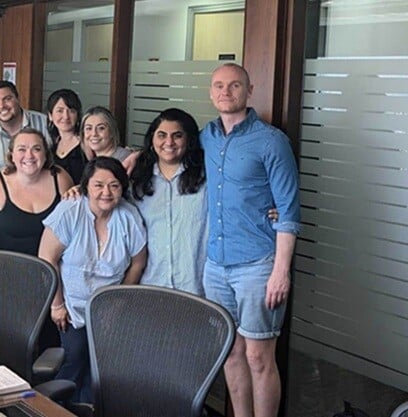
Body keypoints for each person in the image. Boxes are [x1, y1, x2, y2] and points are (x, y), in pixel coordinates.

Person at [201, 63, 300, 417]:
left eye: (234, 85)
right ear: (211, 93)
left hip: (258, 266)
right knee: (230, 352)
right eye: (219, 86)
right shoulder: (206, 136)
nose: (226, 92)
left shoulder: (272, 142)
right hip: (215, 266)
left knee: (260, 357)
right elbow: (168, 155)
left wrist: (281, 271)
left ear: (249, 90)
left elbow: (288, 212)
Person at [38, 157, 147, 403]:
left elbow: (138, 261)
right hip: (71, 306)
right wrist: (57, 305)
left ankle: (89, 408)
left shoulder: (128, 216)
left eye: (114, 185)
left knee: (102, 367)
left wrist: (120, 301)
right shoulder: (70, 210)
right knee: (74, 359)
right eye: (98, 185)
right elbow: (47, 259)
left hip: (109, 308)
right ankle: (58, 409)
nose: (106, 192)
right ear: (86, 186)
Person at [130, 108, 207, 295]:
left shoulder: (207, 177)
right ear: (152, 140)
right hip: (151, 285)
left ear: (189, 140)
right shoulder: (137, 179)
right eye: (161, 135)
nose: (169, 142)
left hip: (196, 287)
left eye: (177, 135)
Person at [0, 128, 74, 256]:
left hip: (50, 269)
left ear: (45, 155)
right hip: (5, 269)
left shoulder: (60, 179)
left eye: (36, 149)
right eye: (22, 149)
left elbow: (74, 225)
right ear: (12, 156)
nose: (29, 155)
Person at [0, 81, 50, 174]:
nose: (2, 106)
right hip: (2, 186)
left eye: (7, 99)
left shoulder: (44, 123)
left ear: (17, 99)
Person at [46, 89, 87, 184]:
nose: (66, 116)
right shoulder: (52, 145)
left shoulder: (86, 142)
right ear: (50, 116)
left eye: (71, 111)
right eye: (60, 111)